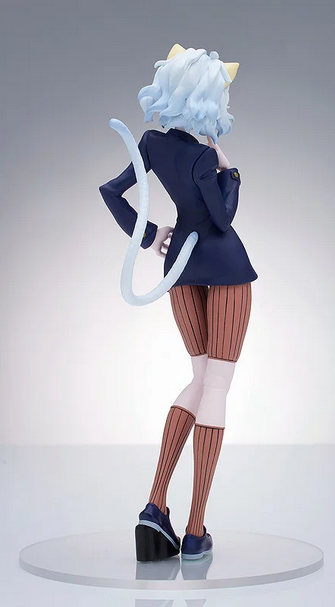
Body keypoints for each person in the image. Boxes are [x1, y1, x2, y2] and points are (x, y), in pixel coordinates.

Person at [99, 44, 258, 561]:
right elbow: (223, 219)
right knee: (217, 386)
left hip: (180, 267)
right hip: (225, 265)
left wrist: (150, 236)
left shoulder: (151, 143)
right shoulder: (204, 157)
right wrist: (230, 172)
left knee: (199, 377)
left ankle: (154, 506)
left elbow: (111, 192)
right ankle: (194, 529)